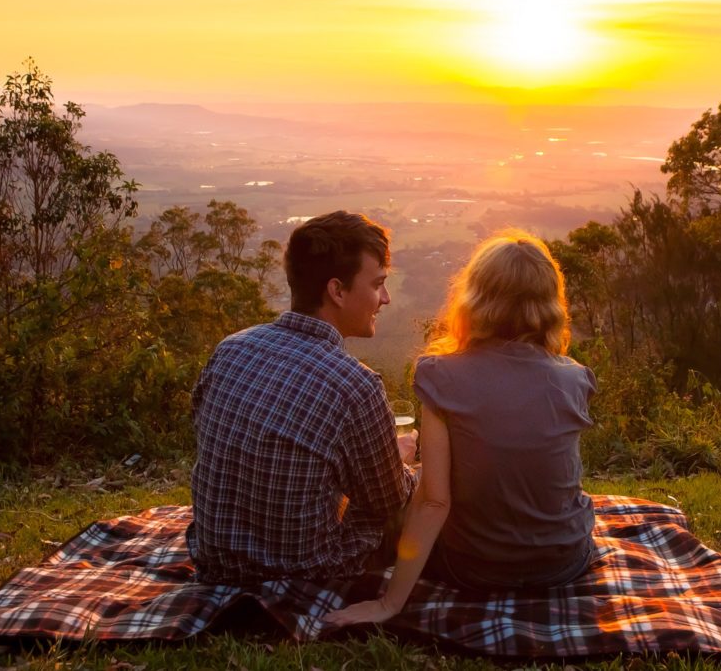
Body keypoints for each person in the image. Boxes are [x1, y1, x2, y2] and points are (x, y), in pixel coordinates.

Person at [325, 229, 597, 626]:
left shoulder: (440, 376)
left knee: (410, 489)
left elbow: (435, 502)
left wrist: (389, 603)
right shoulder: (576, 379)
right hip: (562, 563)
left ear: (474, 298)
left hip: (473, 569)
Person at [188, 211, 418, 584]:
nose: (386, 298)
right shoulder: (355, 385)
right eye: (377, 284)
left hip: (215, 560)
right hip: (302, 573)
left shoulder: (231, 348)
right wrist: (401, 461)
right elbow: (387, 501)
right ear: (337, 291)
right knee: (422, 493)